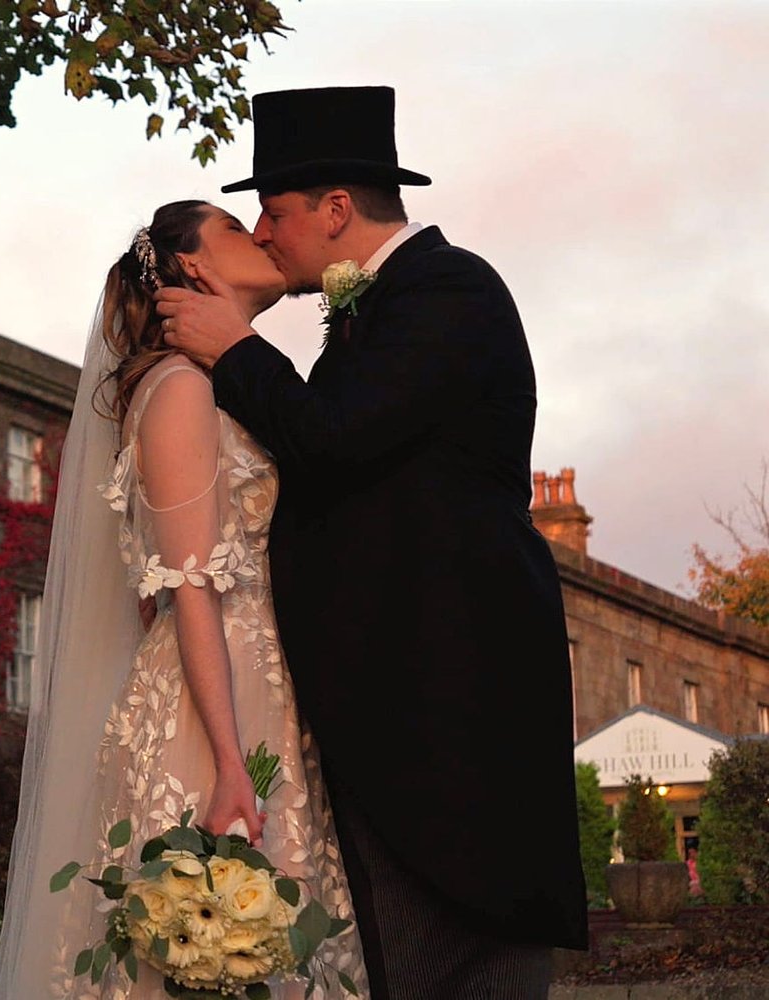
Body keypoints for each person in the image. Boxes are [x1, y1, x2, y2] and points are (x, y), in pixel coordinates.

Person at [155, 86, 589, 998]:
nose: (265, 234)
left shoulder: (450, 289)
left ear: (336, 209)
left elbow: (337, 436)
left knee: (466, 952)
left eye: (274, 212)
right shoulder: (370, 311)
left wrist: (235, 349)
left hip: (453, 702)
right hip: (392, 706)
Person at [0, 200, 369, 999]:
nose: (260, 235)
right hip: (215, 701)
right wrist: (230, 763)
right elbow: (188, 589)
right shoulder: (179, 389)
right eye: (235, 228)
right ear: (192, 266)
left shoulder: (223, 389)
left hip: (257, 684)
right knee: (214, 938)